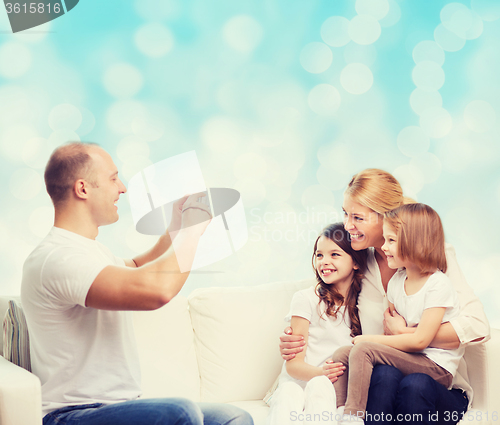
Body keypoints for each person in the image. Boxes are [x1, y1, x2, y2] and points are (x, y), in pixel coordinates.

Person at [20, 142, 253, 425]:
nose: (122, 188)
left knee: (233, 417)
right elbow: (156, 290)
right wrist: (192, 230)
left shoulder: (87, 251)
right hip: (72, 415)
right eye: (113, 178)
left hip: (122, 406)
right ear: (82, 189)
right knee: (181, 413)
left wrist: (176, 227)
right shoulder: (57, 257)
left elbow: (136, 269)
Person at [279, 169, 490, 425]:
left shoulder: (433, 258)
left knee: (414, 384)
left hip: (434, 385)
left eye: (357, 217)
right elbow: (324, 300)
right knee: (384, 376)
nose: (347, 226)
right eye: (345, 214)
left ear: (387, 217)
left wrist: (408, 333)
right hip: (382, 382)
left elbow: (478, 326)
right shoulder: (358, 263)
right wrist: (296, 342)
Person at [333, 203, 464, 425]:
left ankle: (352, 417)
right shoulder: (397, 282)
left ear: (415, 242)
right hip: (410, 359)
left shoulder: (437, 284)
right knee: (343, 354)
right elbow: (391, 336)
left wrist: (366, 340)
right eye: (385, 240)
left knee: (362, 348)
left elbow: (420, 340)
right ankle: (336, 410)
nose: (383, 247)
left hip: (436, 366)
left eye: (391, 241)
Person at [267, 223, 367, 425]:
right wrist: (322, 373)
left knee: (323, 391)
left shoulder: (365, 303)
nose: (324, 261)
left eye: (334, 255)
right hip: (300, 383)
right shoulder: (306, 298)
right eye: (319, 255)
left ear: (356, 262)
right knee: (290, 392)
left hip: (332, 390)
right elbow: (294, 365)